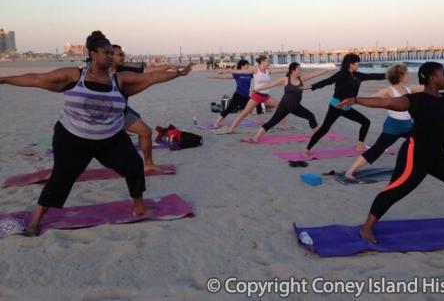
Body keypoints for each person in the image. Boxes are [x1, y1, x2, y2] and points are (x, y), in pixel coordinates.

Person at [0, 31, 193, 236]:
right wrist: (4, 80)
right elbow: (37, 78)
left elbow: (152, 77)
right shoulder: (74, 75)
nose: (110, 56)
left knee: (134, 165)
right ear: (92, 53)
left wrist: (178, 73)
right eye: (106, 53)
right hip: (72, 137)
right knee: (61, 177)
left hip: (110, 137)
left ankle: (139, 207)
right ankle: (36, 220)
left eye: (112, 53)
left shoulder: (120, 80)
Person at [337, 61, 444, 243]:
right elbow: (385, 102)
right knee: (395, 190)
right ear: (432, 78)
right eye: (443, 73)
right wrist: (356, 100)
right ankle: (366, 229)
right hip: (416, 154)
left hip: (439, 155)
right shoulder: (415, 100)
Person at [344, 63, 424, 181]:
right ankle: (350, 171)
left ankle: (422, 165)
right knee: (377, 149)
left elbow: (426, 87)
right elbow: (372, 98)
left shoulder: (409, 89)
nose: (408, 75)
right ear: (400, 76)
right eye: (406, 73)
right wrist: (355, 101)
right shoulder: (388, 90)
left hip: (408, 126)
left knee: (424, 141)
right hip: (393, 127)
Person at [302, 53, 385, 157]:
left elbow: (373, 76)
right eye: (356, 63)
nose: (358, 65)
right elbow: (327, 81)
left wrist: (389, 75)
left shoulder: (358, 75)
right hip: (336, 106)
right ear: (350, 64)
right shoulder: (341, 74)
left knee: (366, 122)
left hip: (347, 107)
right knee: (324, 129)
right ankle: (306, 149)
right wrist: (311, 86)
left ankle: (360, 145)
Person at [111, 44, 179, 172]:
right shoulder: (99, 72)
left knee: (139, 121)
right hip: (111, 113)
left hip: (121, 109)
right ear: (110, 55)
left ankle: (146, 162)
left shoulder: (124, 68)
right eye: (119, 55)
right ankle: (145, 163)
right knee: (145, 131)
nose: (123, 57)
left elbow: (149, 71)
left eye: (123, 54)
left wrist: (169, 67)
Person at [248, 63, 330, 142]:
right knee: (272, 122)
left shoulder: (301, 79)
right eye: (299, 69)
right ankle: (255, 138)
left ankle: (317, 134)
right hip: (284, 107)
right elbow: (270, 84)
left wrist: (325, 70)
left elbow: (313, 74)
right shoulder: (285, 79)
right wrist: (257, 89)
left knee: (311, 116)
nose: (300, 70)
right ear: (293, 70)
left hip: (296, 107)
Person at [225, 55, 287, 133]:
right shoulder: (255, 70)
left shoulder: (268, 70)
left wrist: (289, 70)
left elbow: (279, 70)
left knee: (281, 107)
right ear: (262, 62)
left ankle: (285, 126)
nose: (269, 63)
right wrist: (229, 71)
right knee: (245, 113)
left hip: (266, 96)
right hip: (257, 96)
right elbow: (242, 71)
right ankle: (231, 128)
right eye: (267, 61)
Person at [209, 59, 263, 128]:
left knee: (258, 104)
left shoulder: (250, 74)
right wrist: (213, 76)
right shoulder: (237, 74)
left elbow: (258, 74)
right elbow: (223, 77)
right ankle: (216, 123)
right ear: (242, 65)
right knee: (229, 109)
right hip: (238, 95)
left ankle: (260, 122)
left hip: (246, 96)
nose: (248, 66)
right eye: (247, 65)